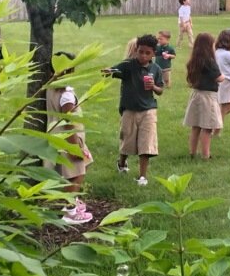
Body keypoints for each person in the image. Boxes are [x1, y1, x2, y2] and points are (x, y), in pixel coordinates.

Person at [103, 34, 163, 185]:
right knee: (127, 141)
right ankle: (122, 163)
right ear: (136, 50)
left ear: (153, 54)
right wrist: (108, 71)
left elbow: (160, 90)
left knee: (146, 143)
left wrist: (153, 87)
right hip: (129, 110)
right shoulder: (128, 65)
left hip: (148, 110)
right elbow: (113, 70)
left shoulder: (156, 69)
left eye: (147, 53)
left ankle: (142, 176)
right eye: (140, 52)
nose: (143, 56)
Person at [44, 52, 94, 224]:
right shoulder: (66, 94)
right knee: (77, 172)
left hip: (56, 135)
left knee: (73, 170)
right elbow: (68, 121)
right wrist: (75, 147)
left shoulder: (49, 88)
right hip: (69, 138)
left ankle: (70, 203)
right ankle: (70, 210)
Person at [182, 32, 224, 160]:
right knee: (207, 128)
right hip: (208, 97)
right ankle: (206, 155)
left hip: (196, 95)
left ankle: (192, 152)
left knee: (195, 126)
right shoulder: (210, 62)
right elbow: (219, 78)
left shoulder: (194, 60)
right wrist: (224, 76)